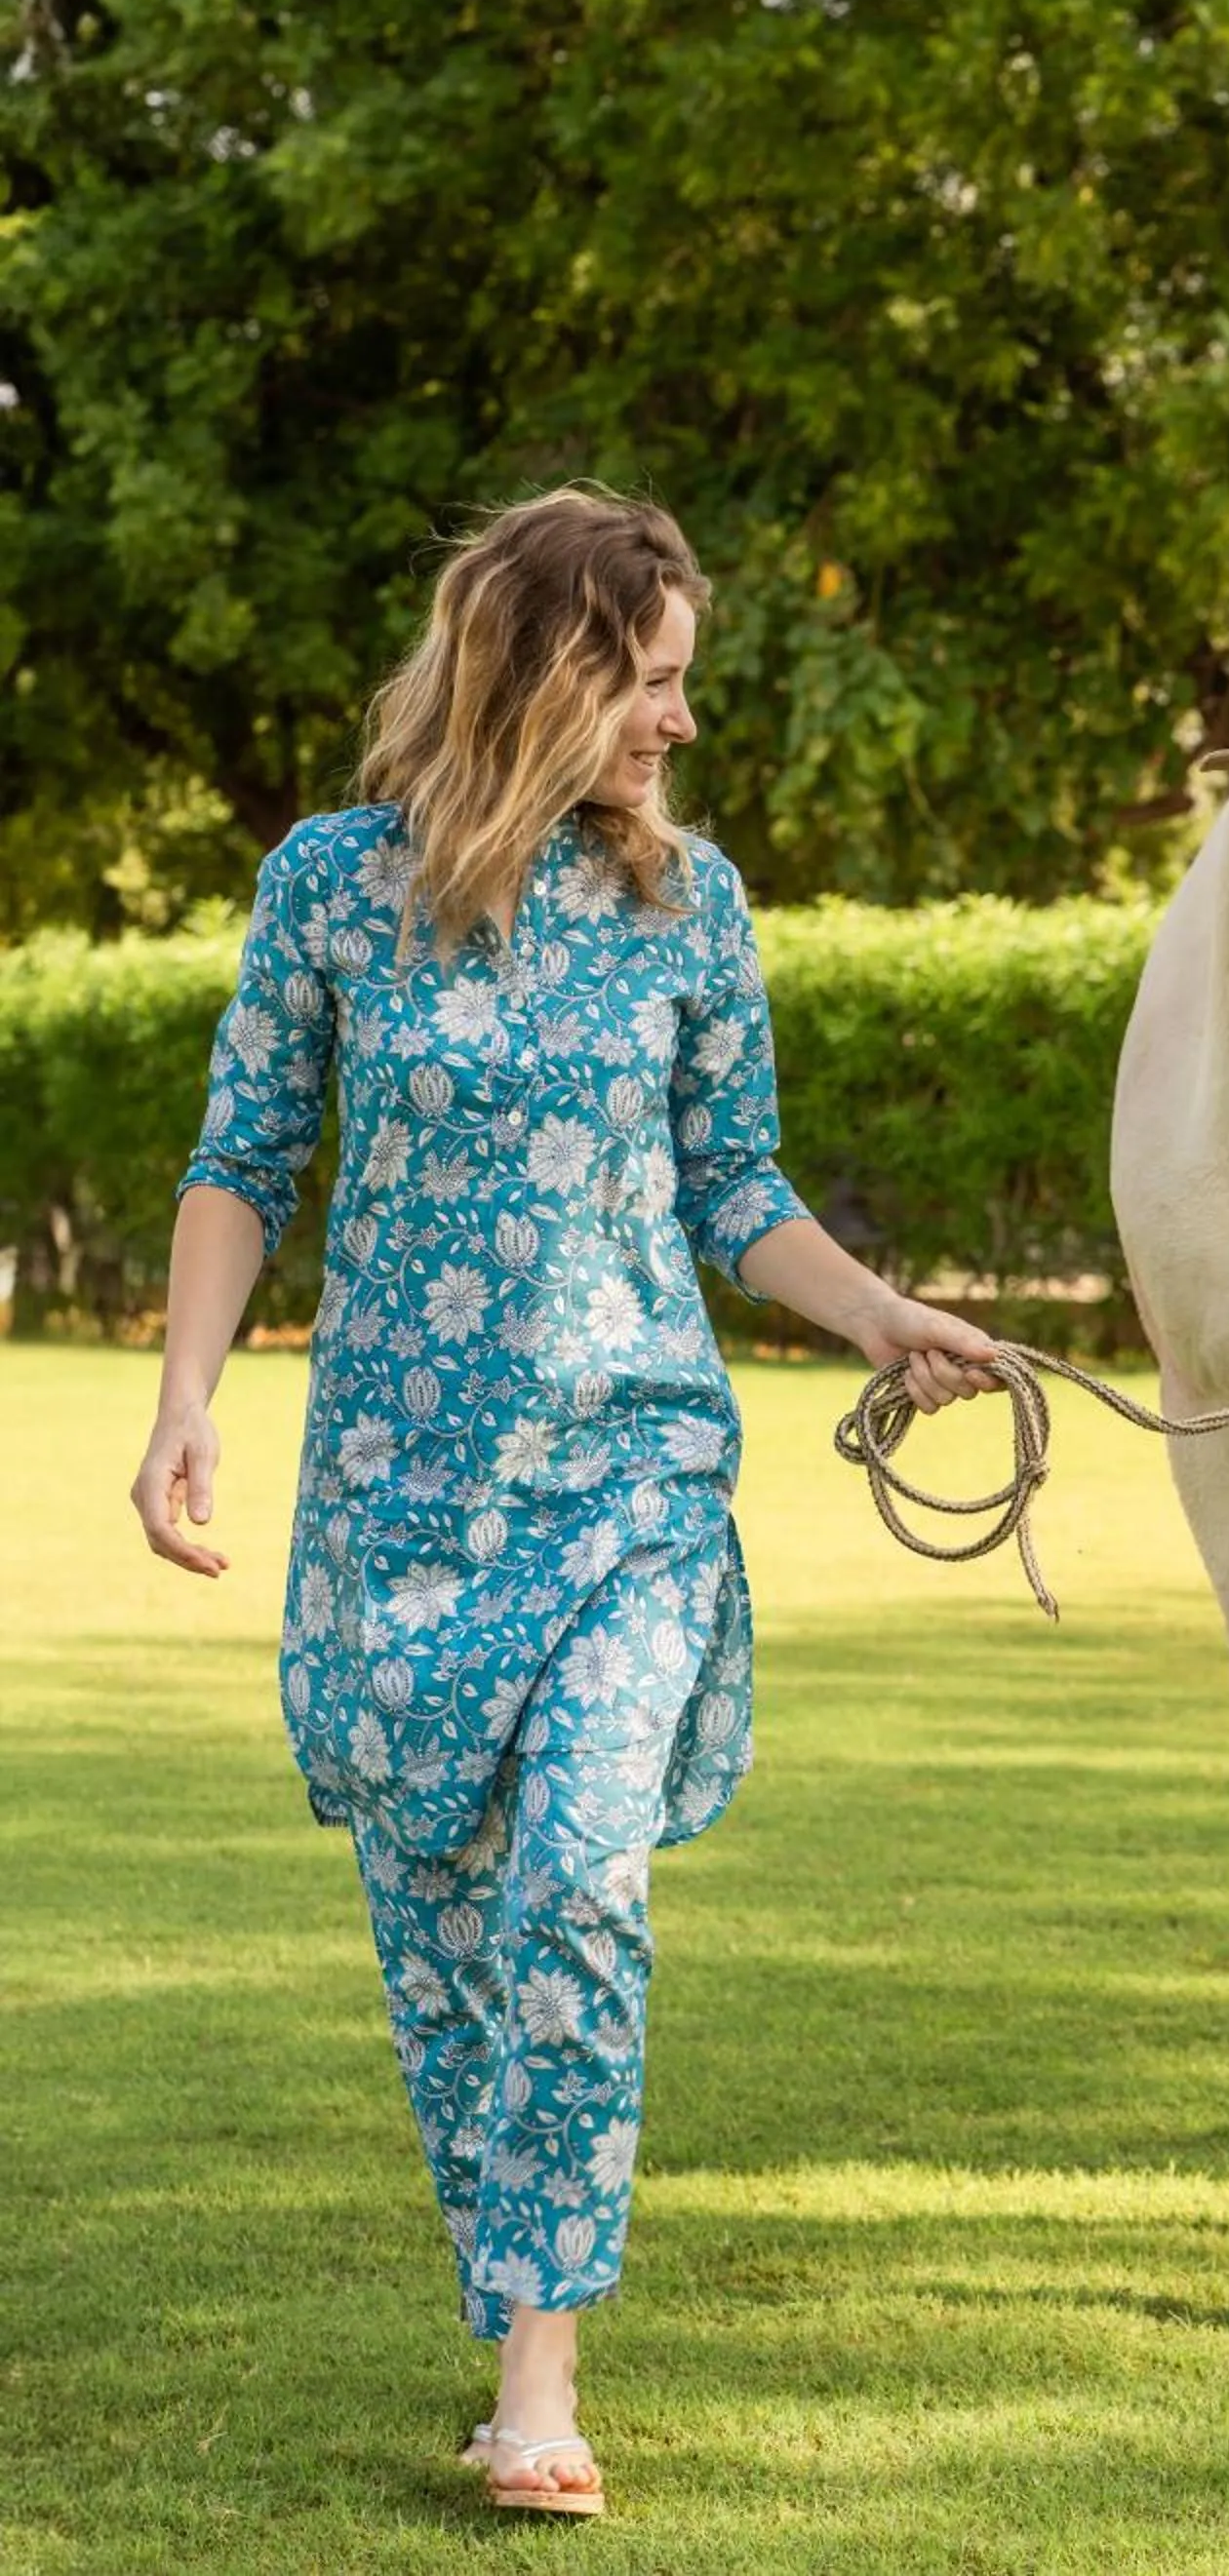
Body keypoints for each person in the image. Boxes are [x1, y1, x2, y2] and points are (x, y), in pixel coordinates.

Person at [129, 485, 1003, 2517]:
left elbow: (737, 1190)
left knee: (579, 1889)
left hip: (629, 1485)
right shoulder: (334, 889)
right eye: (659, 682)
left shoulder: (687, 908)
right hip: (398, 1506)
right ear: (550, 668)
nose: (682, 727)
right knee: (447, 1950)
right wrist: (186, 1396)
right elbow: (244, 1159)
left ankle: (543, 2381)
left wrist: (878, 1318)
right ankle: (511, 2291)